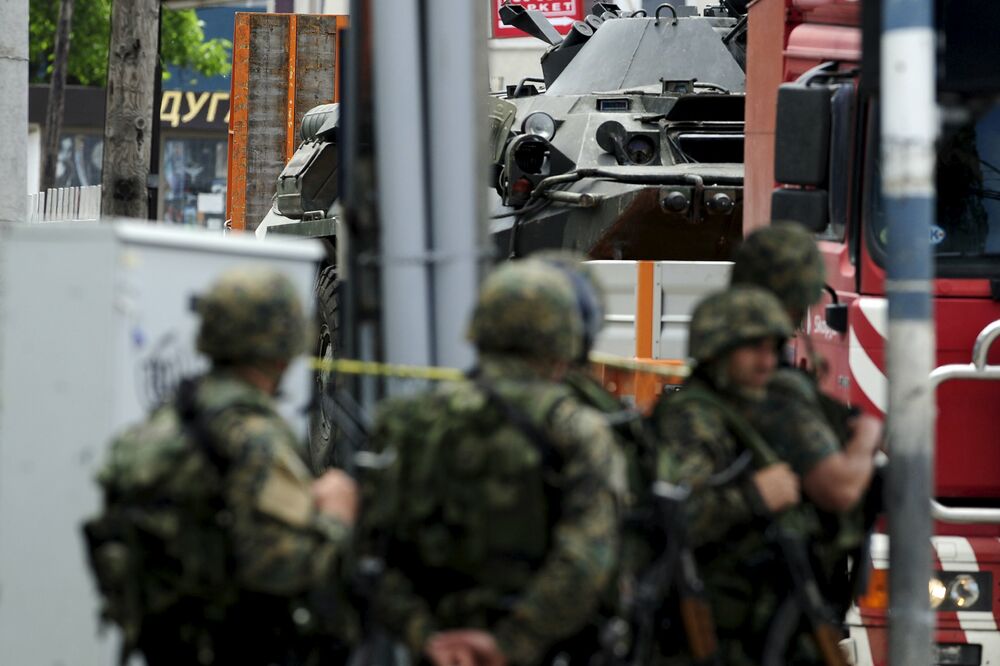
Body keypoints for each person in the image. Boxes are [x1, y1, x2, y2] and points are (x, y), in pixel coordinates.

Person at [84, 266, 359, 666]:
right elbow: (285, 572)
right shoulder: (255, 439)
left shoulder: (157, 427)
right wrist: (337, 518)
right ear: (283, 345)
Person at [357, 258, 626, 666]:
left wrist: (426, 638)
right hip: (544, 652)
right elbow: (588, 558)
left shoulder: (408, 420)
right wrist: (510, 643)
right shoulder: (576, 429)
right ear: (565, 340)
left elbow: (368, 553)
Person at [731, 223, 882, 615]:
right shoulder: (780, 391)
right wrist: (868, 437)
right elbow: (840, 487)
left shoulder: (720, 368)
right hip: (770, 602)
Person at [651, 286, 808, 665]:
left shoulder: (739, 412)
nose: (767, 362)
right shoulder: (693, 420)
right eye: (753, 349)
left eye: (773, 350)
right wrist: (754, 497)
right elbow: (676, 516)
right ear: (717, 351)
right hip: (702, 629)